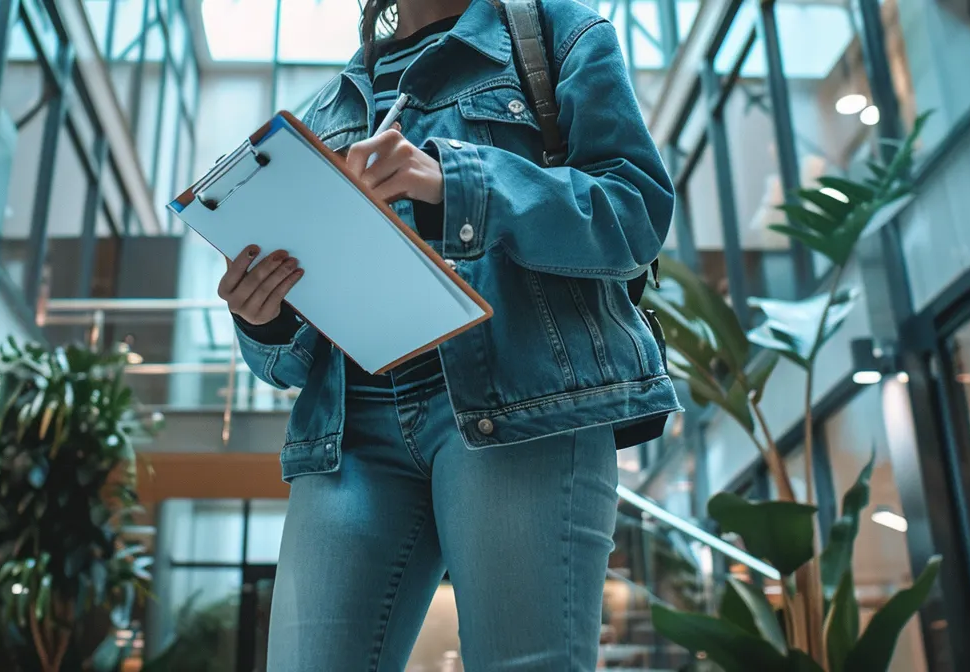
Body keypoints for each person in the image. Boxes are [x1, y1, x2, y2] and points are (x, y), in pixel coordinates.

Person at [218, 0, 676, 667]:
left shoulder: (557, 35)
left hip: (523, 404)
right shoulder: (320, 115)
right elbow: (290, 364)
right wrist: (263, 317)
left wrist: (454, 181)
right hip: (350, 435)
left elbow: (633, 214)